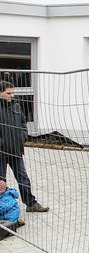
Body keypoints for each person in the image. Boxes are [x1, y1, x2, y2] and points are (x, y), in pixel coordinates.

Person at [0, 81, 49, 213]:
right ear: (0, 93)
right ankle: (4, 210)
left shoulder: (16, 107)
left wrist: (23, 136)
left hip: (16, 150)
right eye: (8, 93)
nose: (11, 96)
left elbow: (23, 123)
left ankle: (31, 203)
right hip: (1, 153)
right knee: (1, 182)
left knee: (23, 178)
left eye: (12, 93)